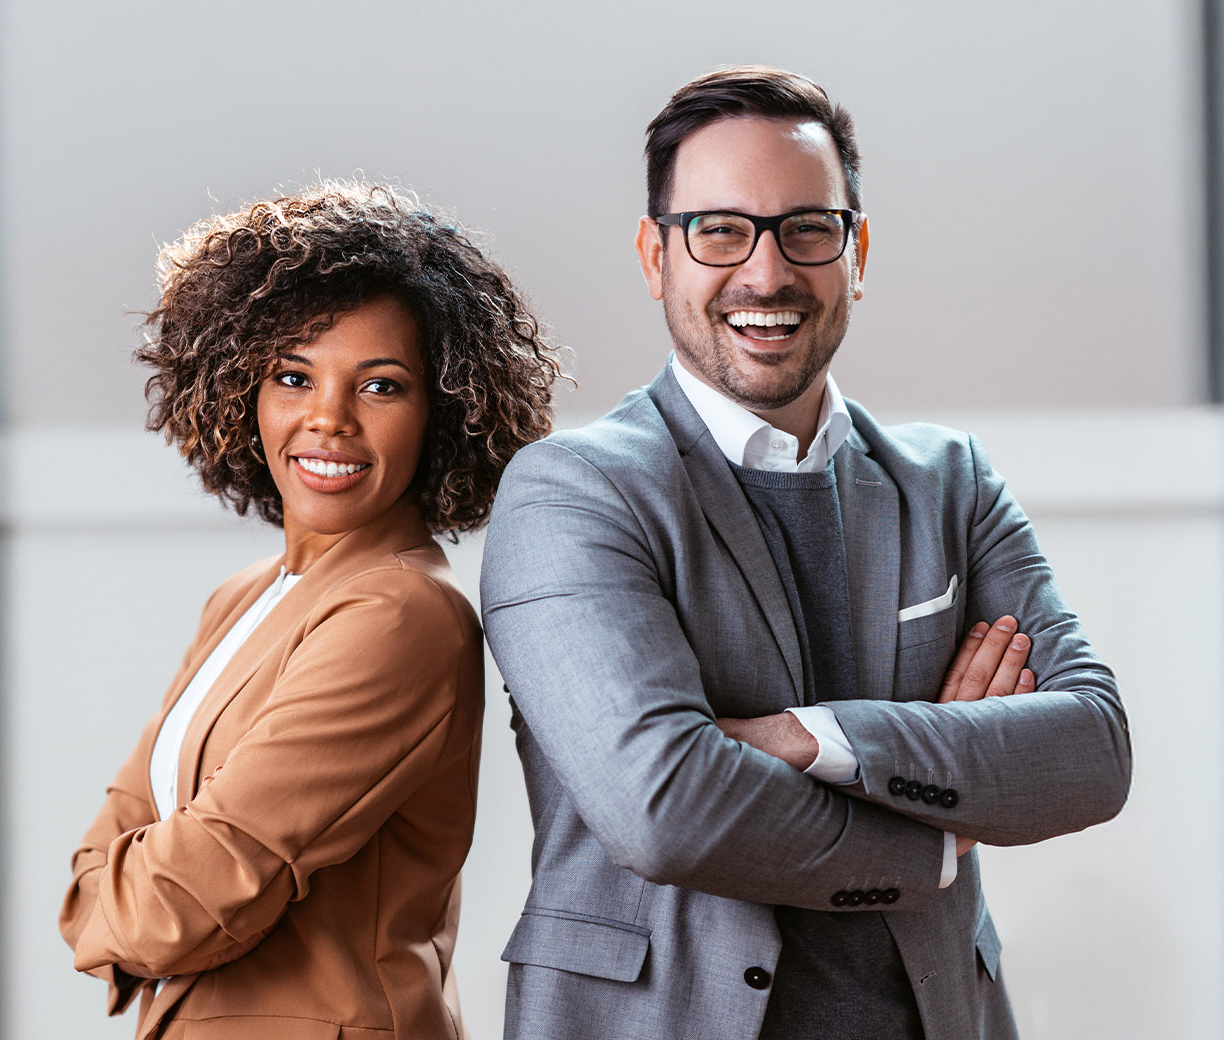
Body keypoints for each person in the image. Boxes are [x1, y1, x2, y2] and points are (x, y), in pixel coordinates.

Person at [480, 67, 1131, 1040]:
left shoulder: (948, 480)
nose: (766, 272)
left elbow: (1090, 748)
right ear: (654, 255)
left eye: (807, 228)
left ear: (856, 249)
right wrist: (937, 833)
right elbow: (665, 805)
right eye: (718, 229)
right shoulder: (572, 492)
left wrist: (804, 735)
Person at [59, 180, 561, 1040]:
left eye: (380, 387)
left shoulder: (401, 615)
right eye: (294, 376)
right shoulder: (245, 597)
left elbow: (174, 904)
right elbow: (95, 870)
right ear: (240, 391)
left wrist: (134, 904)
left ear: (440, 411)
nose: (327, 419)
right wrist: (133, 898)